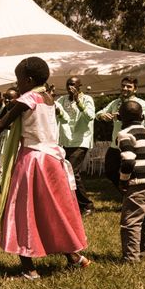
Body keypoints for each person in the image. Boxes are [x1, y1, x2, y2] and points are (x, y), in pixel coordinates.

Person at [0, 56, 90, 279]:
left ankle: (29, 269)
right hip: (52, 159)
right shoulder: (48, 97)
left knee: (22, 210)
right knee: (53, 209)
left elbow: (1, 126)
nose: (17, 84)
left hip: (33, 160)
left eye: (19, 80)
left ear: (29, 80)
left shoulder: (28, 98)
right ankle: (74, 256)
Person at [116, 101, 145, 263]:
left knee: (131, 222)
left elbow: (128, 159)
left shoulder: (125, 134)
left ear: (119, 117)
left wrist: (123, 181)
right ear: (142, 117)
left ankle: (131, 258)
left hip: (138, 182)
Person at [96, 77, 145, 190]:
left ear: (135, 89)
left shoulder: (140, 102)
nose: (125, 88)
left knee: (132, 171)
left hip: (133, 144)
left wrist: (129, 115)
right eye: (123, 85)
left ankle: (132, 194)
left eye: (129, 86)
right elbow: (98, 113)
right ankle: (125, 192)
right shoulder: (115, 102)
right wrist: (103, 116)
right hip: (116, 145)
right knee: (110, 171)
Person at [55, 77, 96, 215]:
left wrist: (78, 101)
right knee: (69, 173)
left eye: (73, 84)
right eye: (68, 84)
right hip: (66, 139)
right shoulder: (62, 100)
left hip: (81, 140)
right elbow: (57, 111)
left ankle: (87, 204)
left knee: (71, 171)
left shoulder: (87, 99)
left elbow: (90, 116)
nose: (69, 86)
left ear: (80, 86)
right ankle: (77, 204)